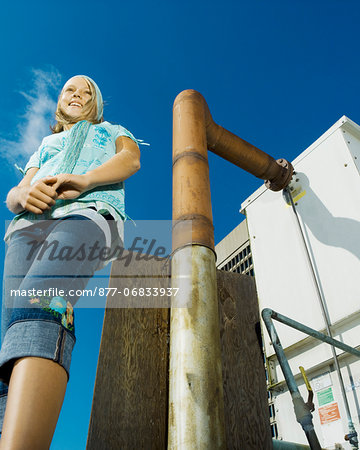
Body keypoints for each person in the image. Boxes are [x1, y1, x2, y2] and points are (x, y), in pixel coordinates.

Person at [0, 75, 143, 448]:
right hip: (26, 228)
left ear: (95, 103)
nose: (78, 95)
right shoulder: (47, 144)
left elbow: (130, 159)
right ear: (60, 101)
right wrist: (23, 195)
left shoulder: (112, 130)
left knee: (41, 299)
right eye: (70, 90)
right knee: (11, 330)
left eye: (87, 91)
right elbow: (15, 194)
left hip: (87, 212)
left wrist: (85, 180)